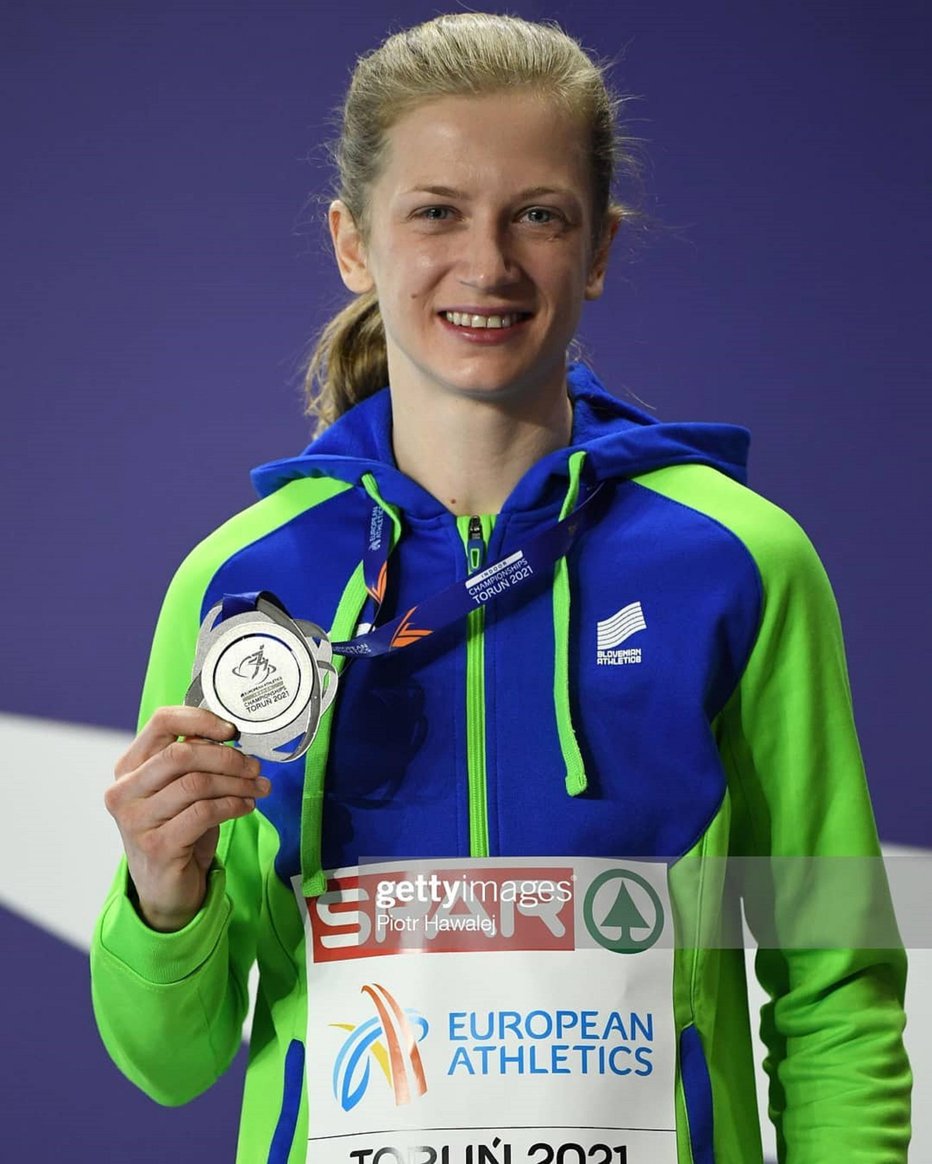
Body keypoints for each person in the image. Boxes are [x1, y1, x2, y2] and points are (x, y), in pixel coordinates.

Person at [91, 12, 911, 1164]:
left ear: (599, 247)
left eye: (536, 215)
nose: (486, 265)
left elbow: (833, 993)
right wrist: (159, 894)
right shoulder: (241, 582)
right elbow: (167, 1062)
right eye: (434, 211)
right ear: (351, 242)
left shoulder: (737, 557)